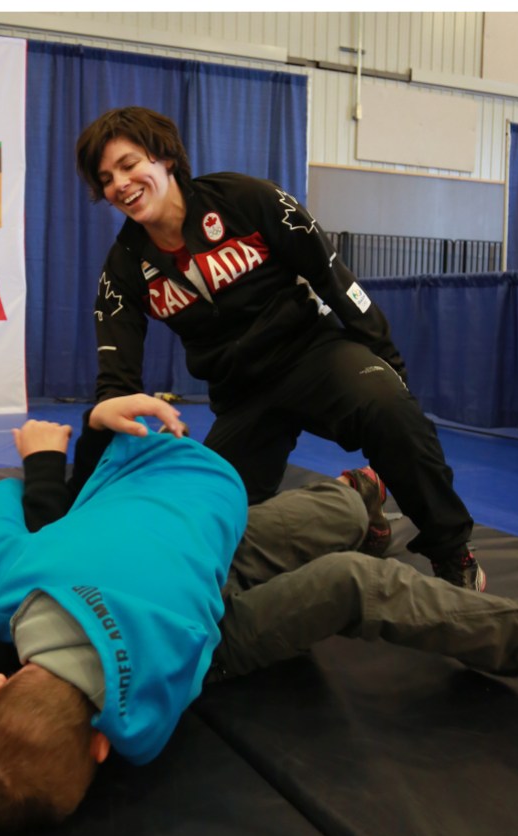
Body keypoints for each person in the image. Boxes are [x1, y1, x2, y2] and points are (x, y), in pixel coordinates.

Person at [0, 403, 518, 833]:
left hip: (198, 551)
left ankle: (356, 513)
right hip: (202, 628)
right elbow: (1, 506)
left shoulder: (128, 729)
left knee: (342, 517)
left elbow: (120, 737)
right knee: (350, 582)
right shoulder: (6, 593)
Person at [75, 106, 485, 589]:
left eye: (128, 165)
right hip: (240, 394)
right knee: (209, 522)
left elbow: (331, 277)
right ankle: (358, 504)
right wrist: (110, 429)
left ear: (165, 158)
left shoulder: (247, 199)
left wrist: (387, 361)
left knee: (389, 407)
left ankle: (452, 553)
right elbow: (115, 379)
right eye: (106, 178)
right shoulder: (124, 267)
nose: (119, 184)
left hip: (311, 355)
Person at [0, 393, 385, 714]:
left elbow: (51, 517)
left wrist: (90, 434)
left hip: (154, 552)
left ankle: (355, 504)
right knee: (338, 582)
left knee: (341, 514)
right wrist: (40, 464)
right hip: (173, 623)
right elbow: (45, 553)